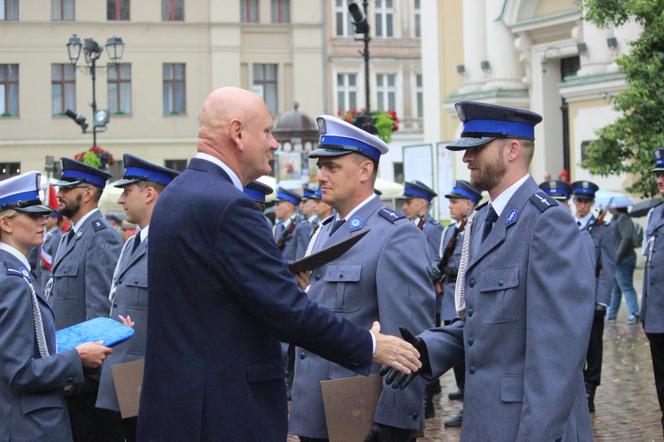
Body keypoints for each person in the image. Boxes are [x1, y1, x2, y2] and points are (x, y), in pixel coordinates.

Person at [137, 87, 422, 442]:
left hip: (183, 408)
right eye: (268, 132)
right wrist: (370, 345)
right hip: (220, 414)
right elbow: (284, 308)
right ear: (238, 133)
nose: (274, 144)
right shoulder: (229, 207)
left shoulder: (177, 195)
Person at [383, 101, 595, 441]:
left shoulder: (547, 222)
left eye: (476, 149)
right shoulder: (482, 221)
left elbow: (558, 353)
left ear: (512, 149)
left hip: (527, 425)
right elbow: (482, 323)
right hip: (486, 420)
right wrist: (426, 351)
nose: (467, 158)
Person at [288, 115, 435, 442]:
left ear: (365, 171)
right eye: (320, 167)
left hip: (361, 416)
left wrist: (394, 425)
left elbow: (407, 339)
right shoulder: (324, 232)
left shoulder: (395, 235)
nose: (321, 176)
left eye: (332, 167)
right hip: (318, 410)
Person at [0, 171, 111, 442]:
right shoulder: (12, 281)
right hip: (30, 425)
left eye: (43, 215)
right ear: (6, 223)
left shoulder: (15, 273)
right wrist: (78, 357)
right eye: (33, 216)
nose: (44, 221)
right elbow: (20, 371)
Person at [95, 154, 179, 441]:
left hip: (152, 383)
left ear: (149, 194)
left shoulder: (172, 245)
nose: (120, 200)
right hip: (125, 380)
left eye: (127, 191)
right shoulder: (133, 243)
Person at [48, 157, 123, 441]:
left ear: (88, 193)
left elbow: (100, 315)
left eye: (67, 188)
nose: (60, 194)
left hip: (85, 381)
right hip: (66, 369)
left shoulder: (100, 238)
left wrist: (85, 376)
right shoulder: (67, 238)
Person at [431, 179, 482, 427]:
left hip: (468, 298)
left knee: (470, 357)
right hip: (450, 297)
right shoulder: (449, 231)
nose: (450, 205)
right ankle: (466, 402)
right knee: (457, 358)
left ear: (469, 203)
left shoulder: (479, 228)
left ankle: (472, 407)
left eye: (454, 201)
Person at [571, 180, 616, 412]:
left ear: (592, 203)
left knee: (593, 348)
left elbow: (608, 267)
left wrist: (602, 299)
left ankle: (590, 390)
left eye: (586, 201)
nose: (582, 206)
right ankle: (576, 389)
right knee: (572, 347)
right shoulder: (567, 227)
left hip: (592, 299)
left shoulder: (602, 230)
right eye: (579, 200)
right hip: (569, 301)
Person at [641, 147, 664, 433]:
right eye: (659, 174)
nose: (660, 180)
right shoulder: (655, 214)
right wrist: (645, 312)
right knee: (661, 377)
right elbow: (650, 266)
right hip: (657, 315)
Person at [607, 203, 640, 323]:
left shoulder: (624, 218)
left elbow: (626, 239)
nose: (608, 207)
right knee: (615, 289)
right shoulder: (614, 218)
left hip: (624, 260)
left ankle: (634, 313)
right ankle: (611, 315)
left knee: (626, 287)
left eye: (610, 205)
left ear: (616, 206)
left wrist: (617, 257)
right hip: (616, 260)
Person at [402, 180, 444, 264]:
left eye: (408, 202)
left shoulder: (433, 229)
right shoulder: (408, 226)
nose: (404, 207)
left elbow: (434, 265)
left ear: (422, 203)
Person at [274, 186, 311, 261]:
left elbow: (301, 259)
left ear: (288, 206)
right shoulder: (278, 227)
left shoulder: (302, 226)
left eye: (278, 204)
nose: (274, 208)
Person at [35, 209, 63, 288]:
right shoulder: (44, 235)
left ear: (55, 219)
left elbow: (55, 262)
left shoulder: (58, 236)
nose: (44, 220)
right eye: (43, 217)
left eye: (47, 217)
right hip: (42, 275)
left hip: (49, 276)